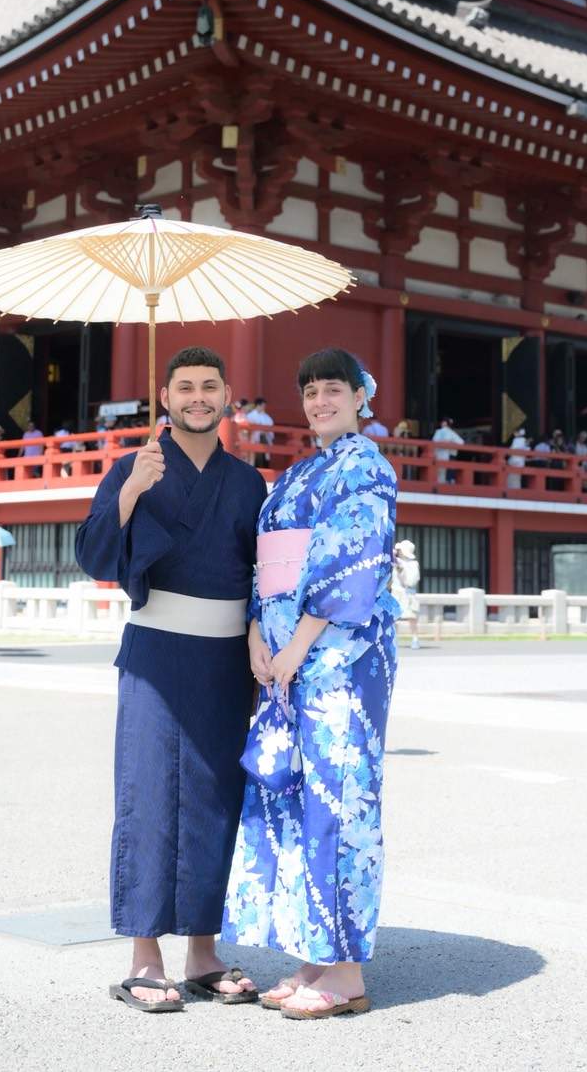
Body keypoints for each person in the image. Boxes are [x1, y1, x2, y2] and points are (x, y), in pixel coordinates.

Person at [75, 346, 266, 1011]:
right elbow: (95, 556)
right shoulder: (134, 466)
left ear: (226, 394)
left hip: (221, 657)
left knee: (216, 797)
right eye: (184, 386)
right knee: (149, 793)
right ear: (165, 395)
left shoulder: (247, 482)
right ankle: (143, 958)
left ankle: (203, 953)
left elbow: (262, 573)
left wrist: (255, 635)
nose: (197, 397)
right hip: (156, 649)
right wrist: (130, 490)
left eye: (208, 386)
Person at [222, 346, 397, 1020]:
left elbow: (349, 565)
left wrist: (294, 643)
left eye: (333, 389)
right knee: (291, 799)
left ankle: (346, 968)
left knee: (339, 794)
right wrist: (255, 635)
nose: (320, 400)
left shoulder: (365, 467)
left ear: (361, 396)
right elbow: (266, 566)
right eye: (311, 390)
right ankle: (311, 952)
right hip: (287, 659)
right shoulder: (297, 475)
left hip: (338, 660)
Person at [393, 538, 422, 648]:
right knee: (394, 618)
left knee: (412, 617)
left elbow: (410, 580)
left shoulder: (413, 564)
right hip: (398, 592)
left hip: (408, 593)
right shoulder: (398, 561)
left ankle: (415, 638)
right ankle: (394, 639)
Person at [432, 416, 463, 485]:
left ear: (445, 423)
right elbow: (461, 442)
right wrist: (451, 445)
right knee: (442, 473)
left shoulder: (439, 431)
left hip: (439, 455)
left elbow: (433, 442)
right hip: (444, 455)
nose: (442, 423)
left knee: (439, 473)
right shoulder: (451, 433)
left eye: (443, 421)